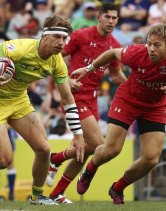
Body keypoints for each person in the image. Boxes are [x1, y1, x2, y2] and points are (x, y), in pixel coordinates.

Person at [71, 23, 166, 204]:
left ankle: (117, 188)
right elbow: (112, 53)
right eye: (149, 44)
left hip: (154, 106)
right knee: (111, 150)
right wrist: (89, 68)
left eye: (157, 45)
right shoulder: (137, 52)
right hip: (127, 100)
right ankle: (90, 168)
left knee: (151, 159)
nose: (151, 49)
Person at [0, 15, 85, 205]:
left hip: (19, 100)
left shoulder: (57, 63)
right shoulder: (21, 48)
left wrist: (78, 135)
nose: (61, 43)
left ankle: (37, 196)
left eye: (65, 39)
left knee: (44, 149)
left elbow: (67, 98)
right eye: (57, 37)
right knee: (3, 161)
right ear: (44, 36)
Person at [45, 3, 126, 204]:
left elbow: (116, 75)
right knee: (99, 144)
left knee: (87, 150)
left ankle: (56, 190)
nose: (111, 21)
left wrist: (136, 88)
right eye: (107, 17)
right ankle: (55, 161)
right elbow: (54, 56)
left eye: (114, 18)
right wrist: (65, 80)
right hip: (74, 95)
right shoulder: (81, 35)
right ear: (98, 17)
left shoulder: (114, 44)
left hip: (93, 98)